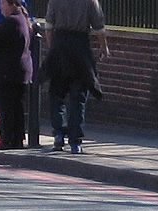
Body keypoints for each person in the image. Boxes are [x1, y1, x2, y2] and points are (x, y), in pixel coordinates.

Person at [40, 0, 110, 154]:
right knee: (78, 97)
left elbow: (49, 27)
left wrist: (53, 48)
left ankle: (59, 134)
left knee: (56, 93)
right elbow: (99, 28)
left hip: (60, 45)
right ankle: (75, 141)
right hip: (80, 47)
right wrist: (104, 48)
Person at [0, 0, 32, 150]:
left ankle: (8, 140)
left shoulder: (12, 21)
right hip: (19, 71)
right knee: (16, 107)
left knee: (7, 107)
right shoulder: (20, 19)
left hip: (9, 73)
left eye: (2, 3)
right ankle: (16, 140)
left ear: (12, 4)